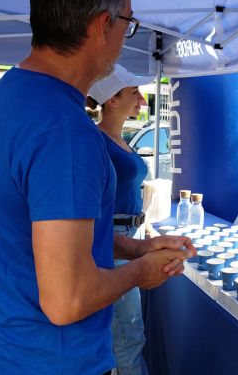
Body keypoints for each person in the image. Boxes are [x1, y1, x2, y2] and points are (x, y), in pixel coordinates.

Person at [0, 0, 194, 375]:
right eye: (128, 20)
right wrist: (139, 272)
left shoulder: (3, 97)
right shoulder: (65, 132)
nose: (128, 33)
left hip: (4, 356)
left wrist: (135, 247)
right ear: (101, 25)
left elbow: (48, 238)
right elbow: (67, 300)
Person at [87, 64, 152, 375]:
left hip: (128, 234)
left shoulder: (115, 138)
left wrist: (143, 221)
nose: (141, 100)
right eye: (134, 92)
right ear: (112, 99)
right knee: (127, 337)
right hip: (114, 242)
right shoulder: (96, 141)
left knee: (126, 333)